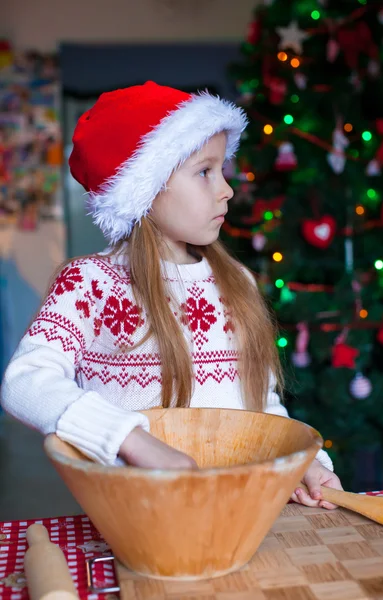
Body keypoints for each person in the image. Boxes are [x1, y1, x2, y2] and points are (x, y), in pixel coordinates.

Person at [1, 81, 342, 509]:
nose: (227, 189)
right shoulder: (89, 283)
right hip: (139, 518)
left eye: (222, 170)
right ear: (147, 187)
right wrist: (130, 440)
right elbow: (26, 382)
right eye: (204, 171)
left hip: (240, 511)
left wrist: (304, 464)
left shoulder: (237, 280)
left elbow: (260, 406)